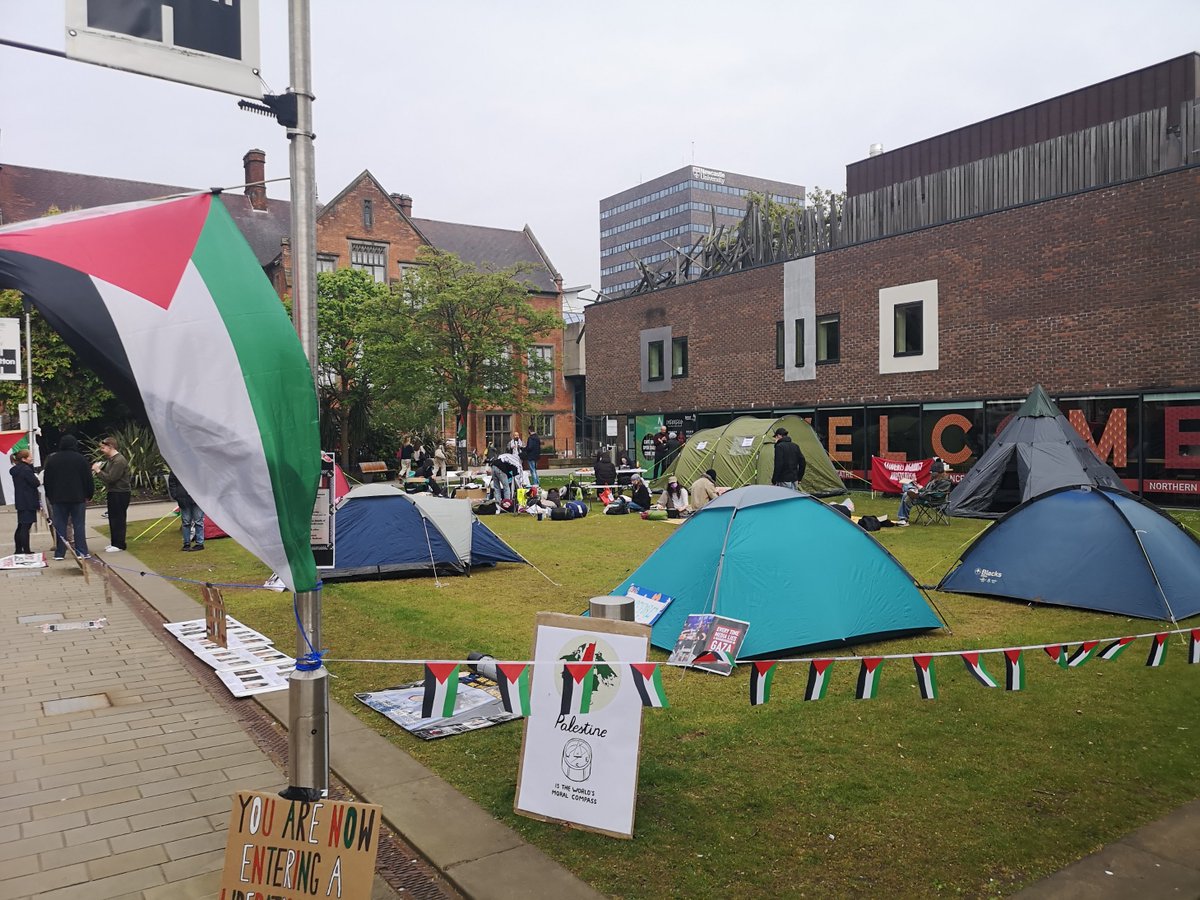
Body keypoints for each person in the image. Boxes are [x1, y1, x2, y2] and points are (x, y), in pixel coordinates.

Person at [42, 434, 93, 560]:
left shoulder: (53, 460)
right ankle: (81, 551)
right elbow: (88, 479)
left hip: (58, 498)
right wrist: (89, 494)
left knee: (60, 525)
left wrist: (50, 495)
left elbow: (47, 480)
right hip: (78, 497)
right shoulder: (81, 459)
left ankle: (60, 552)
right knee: (79, 524)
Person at [92, 437, 131, 552]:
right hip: (113, 492)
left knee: (118, 518)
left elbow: (111, 478)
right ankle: (114, 542)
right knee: (113, 517)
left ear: (110, 447)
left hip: (120, 492)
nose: (101, 450)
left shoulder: (119, 461)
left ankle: (119, 544)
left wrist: (98, 471)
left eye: (103, 448)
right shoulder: (111, 460)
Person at [897, 459, 953, 525]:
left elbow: (937, 495)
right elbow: (926, 490)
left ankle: (903, 519)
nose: (931, 473)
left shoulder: (945, 482)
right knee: (907, 485)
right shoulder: (933, 480)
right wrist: (918, 487)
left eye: (933, 472)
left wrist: (920, 494)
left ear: (938, 472)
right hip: (924, 496)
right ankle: (911, 490)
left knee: (906, 495)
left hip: (932, 500)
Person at [10, 447, 41, 555]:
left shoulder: (17, 470)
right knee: (25, 526)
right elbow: (35, 483)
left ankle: (18, 549)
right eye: (30, 457)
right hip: (28, 500)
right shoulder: (26, 470)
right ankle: (26, 549)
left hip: (21, 500)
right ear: (24, 459)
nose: (31, 458)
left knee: (21, 525)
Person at [167, 471, 205, 551]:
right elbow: (172, 483)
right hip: (183, 499)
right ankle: (186, 543)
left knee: (198, 521)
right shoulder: (175, 469)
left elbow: (204, 480)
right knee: (186, 522)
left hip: (197, 499)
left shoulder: (196, 467)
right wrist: (175, 496)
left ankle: (199, 543)